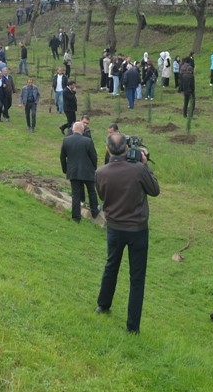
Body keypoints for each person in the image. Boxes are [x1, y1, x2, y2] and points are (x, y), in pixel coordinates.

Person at [95, 132, 161, 334]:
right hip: (137, 229)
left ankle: (103, 305)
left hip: (114, 227)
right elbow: (155, 190)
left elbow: (102, 195)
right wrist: (145, 164)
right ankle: (133, 326)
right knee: (137, 277)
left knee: (111, 266)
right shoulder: (139, 169)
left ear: (107, 150)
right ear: (126, 148)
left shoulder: (100, 172)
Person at [61, 121, 100, 222]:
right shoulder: (88, 141)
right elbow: (94, 157)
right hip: (87, 171)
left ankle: (76, 217)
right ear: (83, 130)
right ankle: (95, 211)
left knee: (76, 194)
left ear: (73, 129)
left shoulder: (66, 140)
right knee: (91, 191)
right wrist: (94, 168)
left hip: (73, 171)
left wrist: (65, 169)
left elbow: (62, 157)